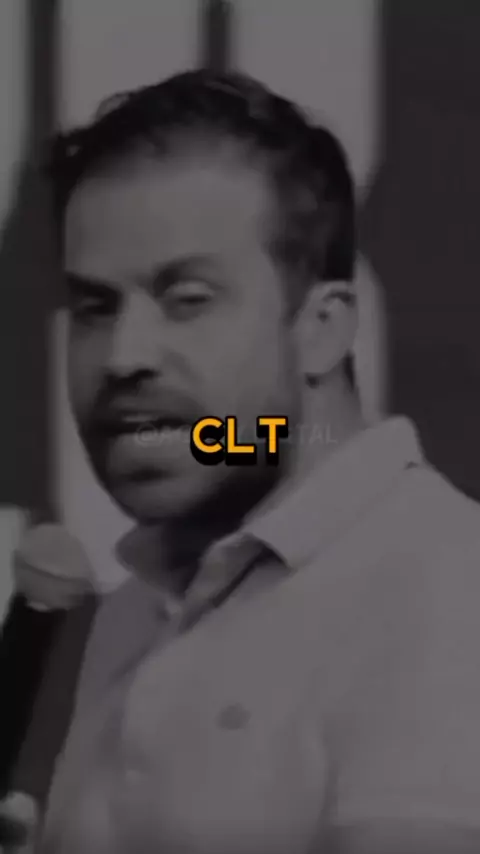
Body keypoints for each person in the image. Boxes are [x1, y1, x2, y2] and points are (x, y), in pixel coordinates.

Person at [36, 70, 480, 854]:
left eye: (188, 299)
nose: (122, 356)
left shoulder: (446, 587)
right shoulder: (131, 614)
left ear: (323, 329)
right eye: (96, 308)